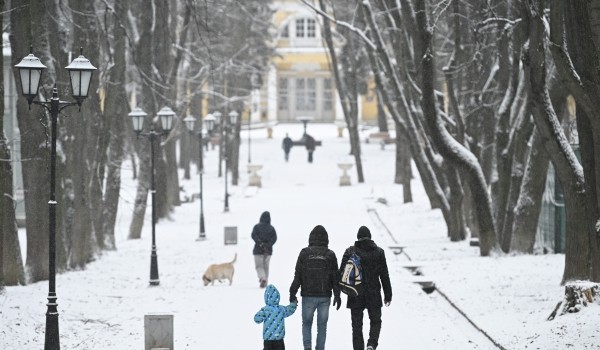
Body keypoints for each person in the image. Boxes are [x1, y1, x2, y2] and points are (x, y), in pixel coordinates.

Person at [289, 225, 341, 350]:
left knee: (306, 324)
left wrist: (292, 292)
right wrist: (337, 295)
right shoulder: (330, 255)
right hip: (325, 297)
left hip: (307, 296)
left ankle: (307, 347)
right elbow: (335, 277)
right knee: (322, 326)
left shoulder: (304, 253)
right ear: (326, 239)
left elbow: (298, 276)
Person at [340, 226, 392, 350]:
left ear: (358, 237)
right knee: (376, 321)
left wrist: (338, 292)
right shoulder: (379, 252)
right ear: (370, 237)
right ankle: (371, 344)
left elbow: (341, 273)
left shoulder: (350, 251)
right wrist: (388, 294)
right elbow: (384, 274)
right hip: (373, 292)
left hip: (355, 293)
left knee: (357, 326)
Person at [254, 284, 298, 350]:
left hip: (268, 339)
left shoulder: (265, 310)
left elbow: (256, 319)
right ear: (278, 297)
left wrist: (261, 315)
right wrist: (294, 303)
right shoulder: (281, 309)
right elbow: (290, 310)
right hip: (279, 338)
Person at [252, 211, 278, 288]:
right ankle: (265, 282)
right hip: (268, 251)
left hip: (258, 250)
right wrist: (268, 245)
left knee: (259, 266)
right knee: (266, 267)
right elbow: (274, 238)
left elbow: (253, 235)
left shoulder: (257, 227)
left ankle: (262, 278)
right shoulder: (271, 228)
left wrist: (260, 244)